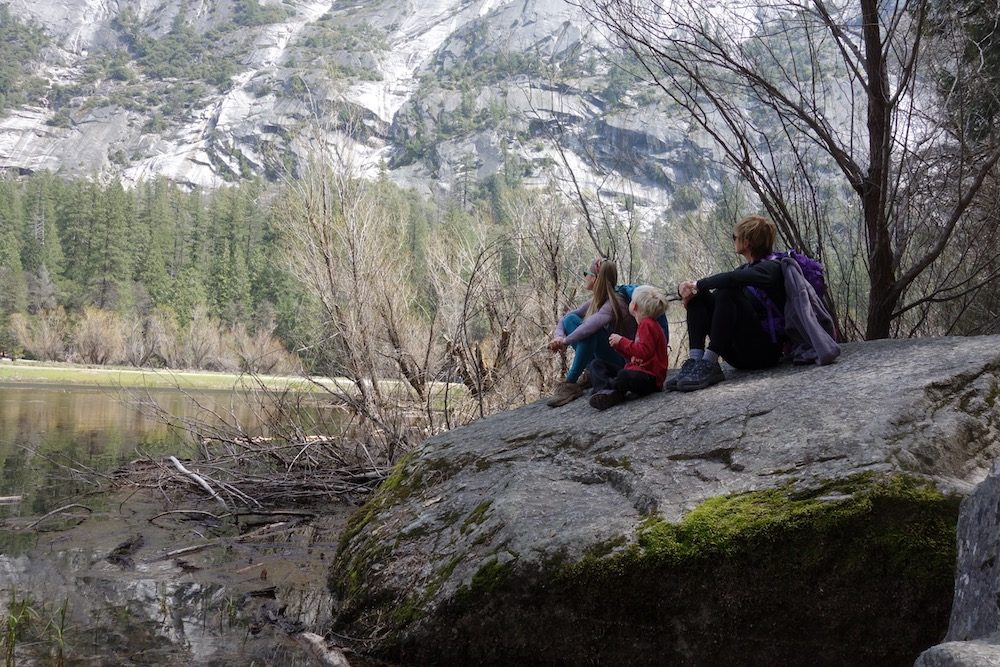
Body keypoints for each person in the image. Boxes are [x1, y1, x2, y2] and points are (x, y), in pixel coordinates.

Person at [671, 215, 785, 392]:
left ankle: (709, 362)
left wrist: (699, 284)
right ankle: (695, 361)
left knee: (726, 291)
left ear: (746, 241)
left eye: (735, 237)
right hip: (738, 354)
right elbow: (726, 288)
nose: (734, 240)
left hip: (765, 353)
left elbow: (732, 279)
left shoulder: (772, 268)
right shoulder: (744, 270)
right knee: (699, 296)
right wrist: (689, 291)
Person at [547, 257, 636, 407]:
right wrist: (558, 336)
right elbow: (566, 319)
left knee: (590, 332)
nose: (584, 276)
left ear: (594, 279)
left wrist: (565, 341)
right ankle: (590, 373)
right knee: (571, 320)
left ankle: (570, 383)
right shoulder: (598, 300)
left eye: (585, 273)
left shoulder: (614, 303)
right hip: (606, 359)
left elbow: (589, 327)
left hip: (622, 363)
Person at [587, 285, 670, 410]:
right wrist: (619, 347)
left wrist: (622, 342)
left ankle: (610, 390)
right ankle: (605, 392)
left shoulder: (648, 324)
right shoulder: (644, 324)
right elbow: (636, 355)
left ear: (634, 306)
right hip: (638, 370)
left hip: (650, 378)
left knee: (624, 375)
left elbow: (643, 352)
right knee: (597, 364)